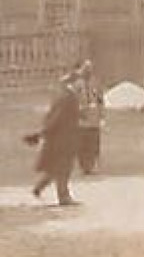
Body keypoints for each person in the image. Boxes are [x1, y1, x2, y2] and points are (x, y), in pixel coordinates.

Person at [27, 74, 80, 206]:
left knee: (54, 168)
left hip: (60, 136)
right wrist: (43, 132)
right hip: (62, 138)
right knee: (63, 167)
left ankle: (38, 189)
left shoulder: (65, 96)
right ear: (73, 83)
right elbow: (57, 117)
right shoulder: (67, 97)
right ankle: (63, 196)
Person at [74, 60, 105, 175]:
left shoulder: (96, 83)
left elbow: (100, 99)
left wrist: (102, 115)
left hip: (94, 118)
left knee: (94, 143)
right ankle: (84, 166)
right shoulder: (77, 84)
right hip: (81, 119)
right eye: (85, 68)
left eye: (90, 68)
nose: (88, 70)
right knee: (82, 144)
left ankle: (92, 165)